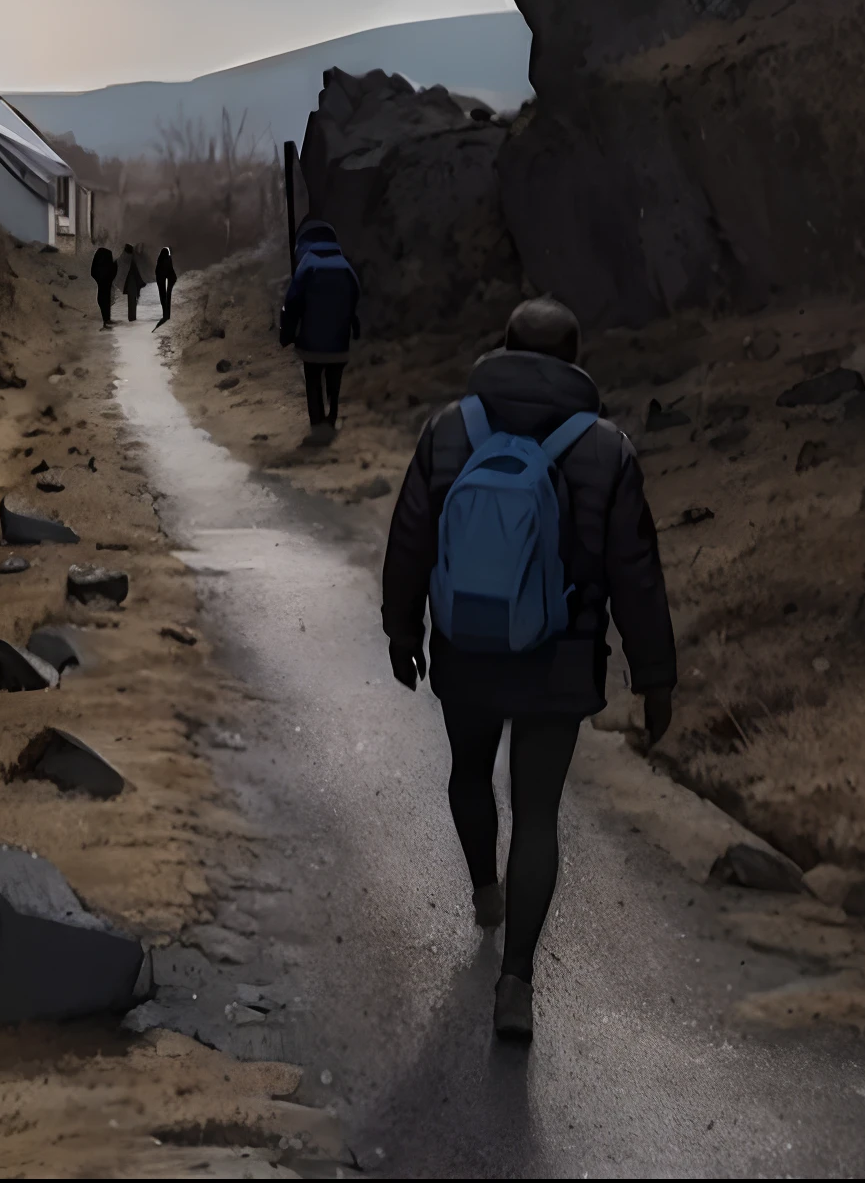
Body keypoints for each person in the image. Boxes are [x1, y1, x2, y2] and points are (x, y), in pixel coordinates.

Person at [380, 295, 675, 1046]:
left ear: (502, 347)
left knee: (469, 774)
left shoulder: (450, 429)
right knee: (538, 814)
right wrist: (654, 675)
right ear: (576, 359)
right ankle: (516, 983)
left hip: (465, 648)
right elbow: (636, 570)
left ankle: (484, 891)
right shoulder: (606, 448)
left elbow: (411, 535)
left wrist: (400, 631)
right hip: (561, 658)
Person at [278, 219, 359, 438]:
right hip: (339, 344)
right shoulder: (345, 266)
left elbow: (292, 304)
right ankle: (331, 419)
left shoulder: (307, 265)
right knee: (334, 382)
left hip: (311, 345)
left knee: (313, 384)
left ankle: (318, 426)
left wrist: (286, 334)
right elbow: (354, 299)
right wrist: (354, 328)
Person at [90, 243, 117, 327]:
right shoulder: (108, 254)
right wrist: (111, 278)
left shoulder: (100, 254)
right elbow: (114, 267)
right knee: (106, 299)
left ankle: (105, 318)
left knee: (103, 298)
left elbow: (93, 270)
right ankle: (106, 318)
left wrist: (98, 278)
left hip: (102, 280)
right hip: (106, 280)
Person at [121, 243, 146, 323]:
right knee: (133, 299)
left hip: (129, 282)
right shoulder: (132, 260)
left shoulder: (125, 259)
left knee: (131, 300)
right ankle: (132, 317)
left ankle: (131, 317)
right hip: (133, 282)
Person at [154, 245, 178, 325]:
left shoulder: (160, 259)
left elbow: (157, 270)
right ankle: (167, 314)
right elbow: (170, 270)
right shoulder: (168, 259)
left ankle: (165, 314)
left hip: (160, 279)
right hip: (166, 278)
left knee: (162, 296)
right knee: (168, 296)